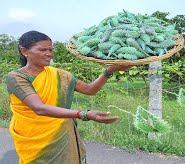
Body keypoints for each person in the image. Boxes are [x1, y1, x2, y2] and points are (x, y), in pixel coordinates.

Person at [5, 30, 132, 164]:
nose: (49, 54)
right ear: (24, 51)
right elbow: (39, 108)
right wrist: (84, 114)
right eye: (43, 50)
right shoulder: (17, 77)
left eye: (50, 49)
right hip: (34, 138)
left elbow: (90, 89)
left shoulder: (60, 75)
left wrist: (109, 70)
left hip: (63, 135)